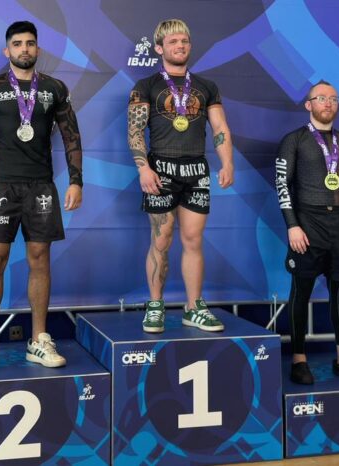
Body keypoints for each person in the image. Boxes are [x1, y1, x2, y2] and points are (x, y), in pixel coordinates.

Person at [0, 21, 83, 373]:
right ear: (7, 50)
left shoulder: (55, 88)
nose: (24, 49)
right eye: (17, 43)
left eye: (29, 43)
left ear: (37, 49)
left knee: (40, 259)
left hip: (41, 187)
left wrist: (76, 181)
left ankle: (39, 340)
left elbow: (71, 136)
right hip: (1, 187)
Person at [127, 19, 234, 333]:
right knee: (161, 239)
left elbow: (220, 128)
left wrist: (227, 163)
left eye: (184, 41)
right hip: (160, 169)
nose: (180, 46)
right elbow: (135, 131)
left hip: (196, 170)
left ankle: (194, 307)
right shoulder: (146, 86)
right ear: (159, 48)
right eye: (173, 41)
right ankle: (155, 305)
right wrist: (143, 168)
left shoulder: (206, 86)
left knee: (193, 240)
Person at [275, 80, 339, 384]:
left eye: (333, 99)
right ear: (309, 105)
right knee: (300, 292)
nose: (328, 103)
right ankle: (299, 360)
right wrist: (292, 225)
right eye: (321, 98)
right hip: (307, 223)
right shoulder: (294, 140)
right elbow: (282, 185)